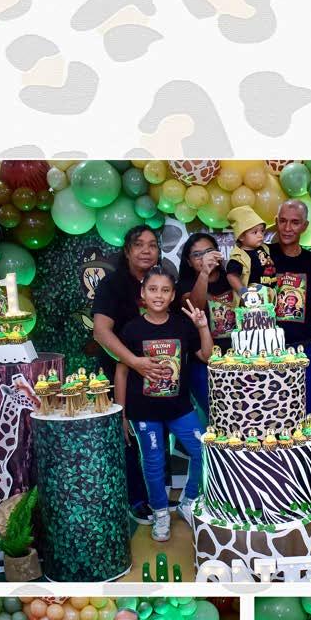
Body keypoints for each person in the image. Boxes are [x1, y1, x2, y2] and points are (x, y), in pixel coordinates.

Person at [115, 266, 212, 542]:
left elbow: (206, 355)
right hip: (144, 412)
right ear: (143, 293)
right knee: (153, 462)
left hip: (180, 409)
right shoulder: (132, 329)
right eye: (153, 289)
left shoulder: (182, 325)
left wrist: (202, 327)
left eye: (165, 290)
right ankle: (160, 513)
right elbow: (122, 372)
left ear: (172, 296)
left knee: (204, 451)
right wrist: (121, 413)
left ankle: (188, 502)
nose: (159, 295)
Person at [268, 200, 311, 518]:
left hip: (300, 351)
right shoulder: (262, 257)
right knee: (268, 424)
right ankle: (276, 500)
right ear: (276, 221)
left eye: (295, 222)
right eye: (282, 221)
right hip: (263, 354)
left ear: (305, 226)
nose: (287, 228)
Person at [91, 224, 162, 522]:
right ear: (127, 251)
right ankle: (136, 499)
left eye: (152, 245)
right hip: (119, 371)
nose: (146, 250)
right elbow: (101, 332)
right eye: (139, 245)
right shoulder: (113, 285)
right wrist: (133, 361)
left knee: (156, 434)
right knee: (127, 435)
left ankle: (159, 496)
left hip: (155, 375)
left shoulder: (160, 282)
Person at [176, 232, 236, 416]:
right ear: (188, 261)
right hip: (203, 364)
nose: (204, 257)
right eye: (197, 255)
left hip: (238, 360)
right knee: (218, 417)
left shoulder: (232, 278)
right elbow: (195, 307)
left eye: (209, 251)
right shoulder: (184, 285)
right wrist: (204, 273)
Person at [225, 206, 277, 298]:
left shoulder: (265, 248)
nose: (260, 235)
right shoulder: (238, 258)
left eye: (262, 231)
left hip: (270, 297)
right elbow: (231, 276)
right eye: (255, 232)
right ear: (241, 236)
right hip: (253, 300)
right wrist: (244, 293)